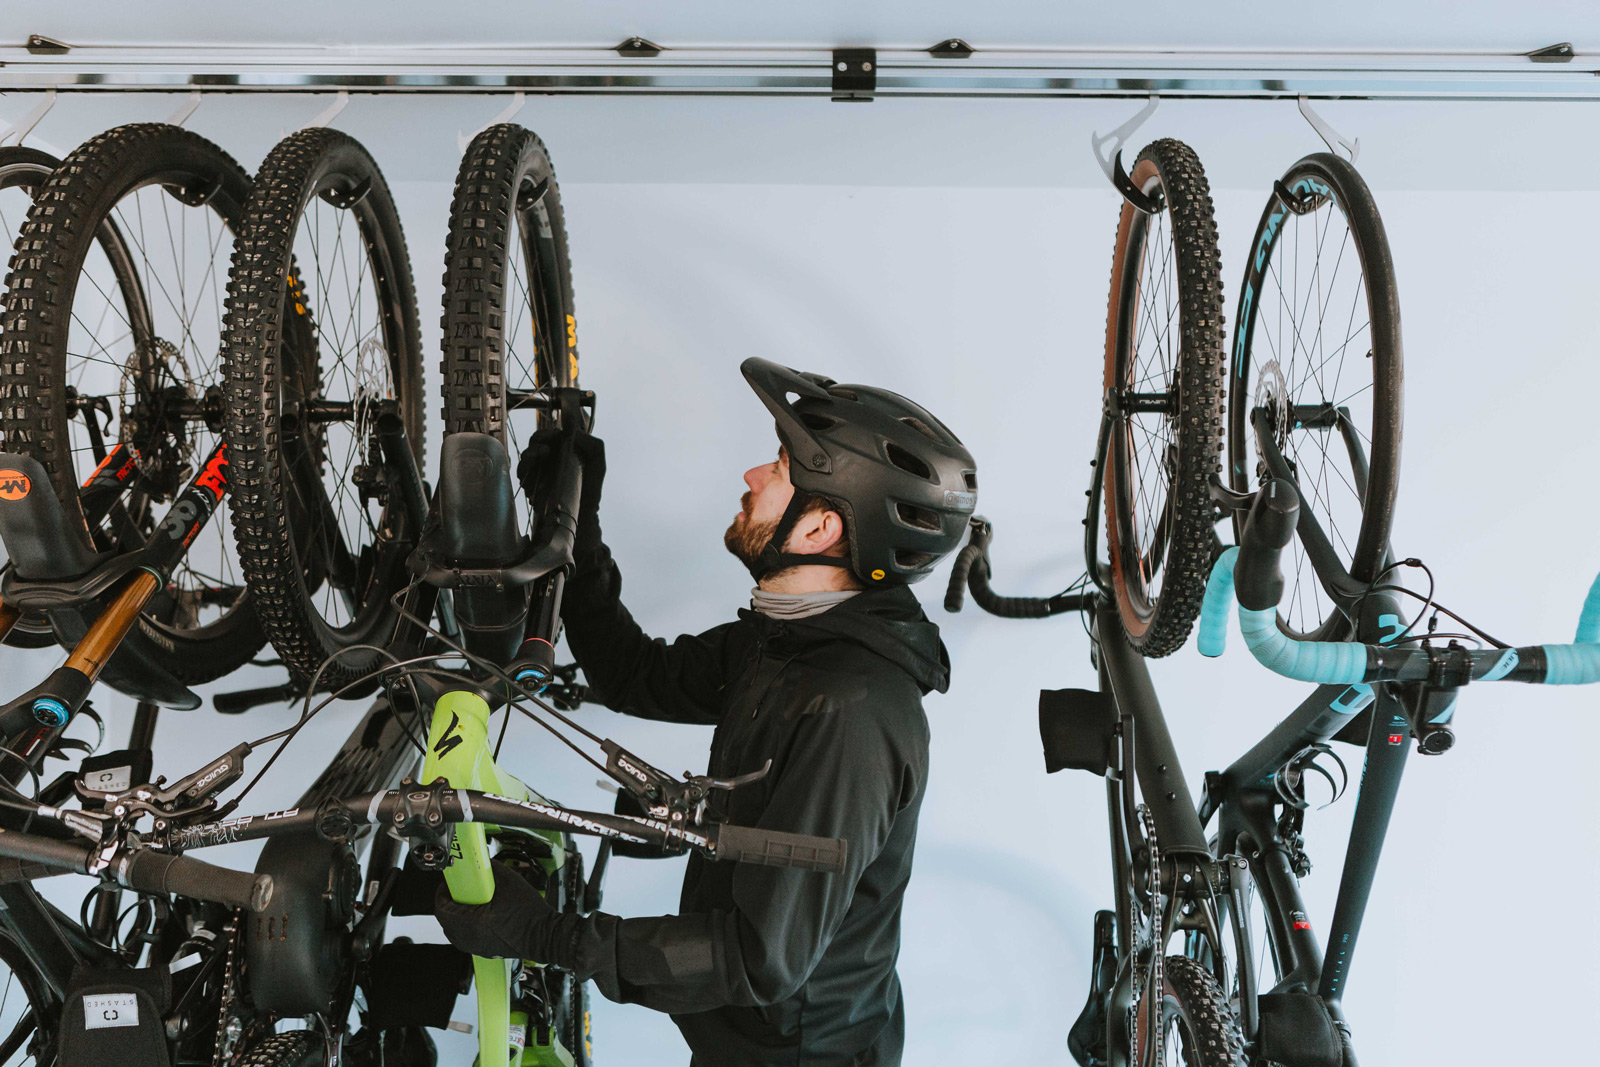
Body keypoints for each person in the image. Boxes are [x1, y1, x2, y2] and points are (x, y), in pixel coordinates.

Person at [435, 357, 978, 1065]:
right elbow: (636, 674)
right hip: (752, 1037)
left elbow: (757, 958)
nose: (753, 476)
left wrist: (549, 937)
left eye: (779, 467)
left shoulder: (850, 710)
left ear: (818, 529)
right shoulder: (796, 639)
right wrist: (577, 524)